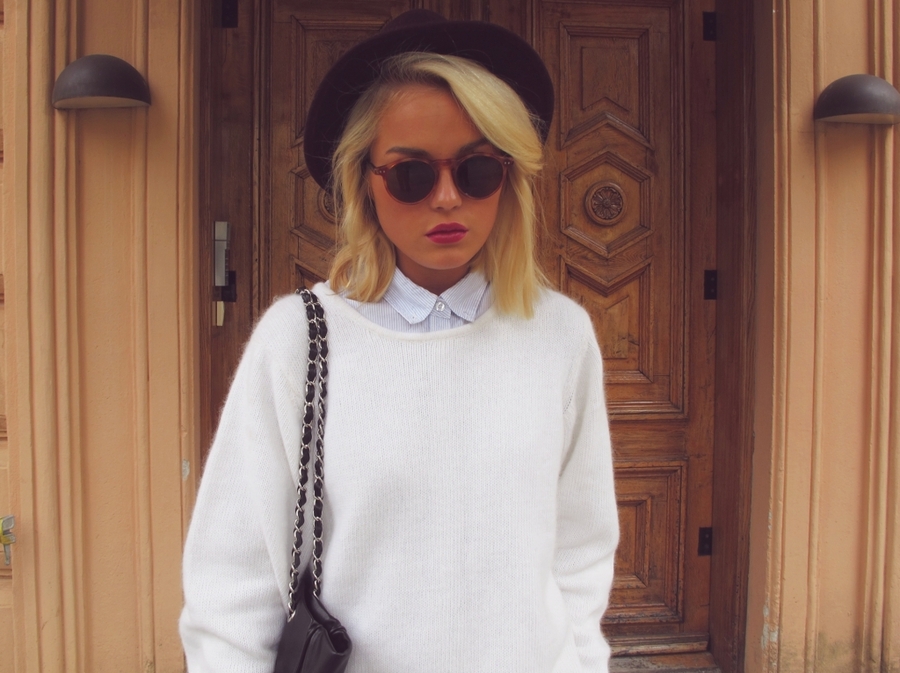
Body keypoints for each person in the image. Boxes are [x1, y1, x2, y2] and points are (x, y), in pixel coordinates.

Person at [180, 10, 619, 673]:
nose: (446, 198)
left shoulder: (560, 335)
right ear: (365, 179)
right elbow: (233, 584)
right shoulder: (300, 341)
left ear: (508, 178)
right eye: (412, 174)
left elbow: (581, 550)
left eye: (476, 170)